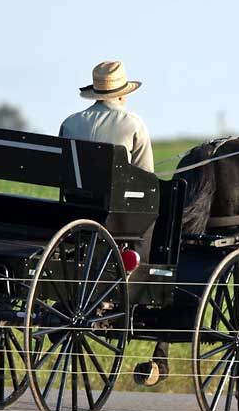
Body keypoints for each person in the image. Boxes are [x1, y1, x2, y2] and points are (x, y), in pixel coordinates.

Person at [60, 60, 165, 387]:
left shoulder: (70, 123)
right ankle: (134, 283)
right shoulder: (132, 124)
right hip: (118, 220)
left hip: (74, 214)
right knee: (156, 220)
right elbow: (147, 182)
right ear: (122, 94)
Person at [59, 60, 154, 173]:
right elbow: (145, 175)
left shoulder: (69, 123)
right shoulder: (134, 123)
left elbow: (61, 168)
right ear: (120, 96)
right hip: (118, 190)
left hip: (75, 190)